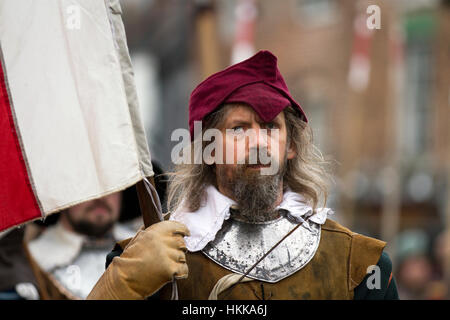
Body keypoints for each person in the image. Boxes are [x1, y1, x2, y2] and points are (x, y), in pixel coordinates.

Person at [87, 50, 399, 300]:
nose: (258, 143)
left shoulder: (360, 266)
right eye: (239, 129)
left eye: (270, 127)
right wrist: (119, 290)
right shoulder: (146, 261)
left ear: (291, 145)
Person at [26, 191, 135, 299]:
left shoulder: (143, 246)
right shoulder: (31, 261)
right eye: (87, 182)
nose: (100, 196)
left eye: (110, 184)